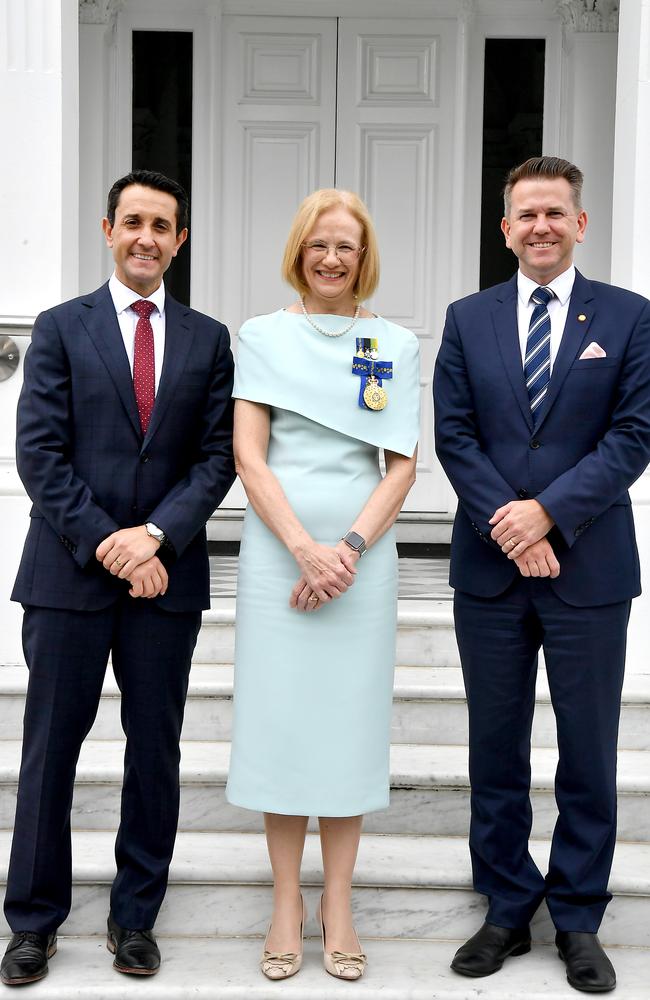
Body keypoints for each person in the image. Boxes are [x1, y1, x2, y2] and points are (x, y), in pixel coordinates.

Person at [1, 170, 235, 986]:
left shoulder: (209, 340)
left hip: (165, 582)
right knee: (49, 752)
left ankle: (135, 917)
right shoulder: (62, 328)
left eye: (161, 225)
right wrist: (112, 544)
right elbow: (40, 453)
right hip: (68, 575)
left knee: (155, 752)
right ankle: (32, 922)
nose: (146, 237)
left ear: (179, 240)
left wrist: (158, 539)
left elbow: (216, 459)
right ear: (108, 231)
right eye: (132, 221)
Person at [433, 156, 650, 993]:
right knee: (496, 746)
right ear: (505, 228)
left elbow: (633, 436)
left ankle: (580, 917)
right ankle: (504, 906)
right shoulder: (466, 318)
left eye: (556, 213)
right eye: (526, 215)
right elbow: (455, 435)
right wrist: (512, 525)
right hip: (489, 570)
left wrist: (548, 514)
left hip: (589, 567)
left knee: (588, 749)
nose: (541, 227)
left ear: (581, 223)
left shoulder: (629, 318)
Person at [226, 189, 419, 981]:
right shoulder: (262, 336)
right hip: (280, 554)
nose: (332, 259)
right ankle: (285, 904)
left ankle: (337, 903)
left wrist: (347, 548)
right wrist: (306, 549)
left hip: (362, 560)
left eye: (346, 246)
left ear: (363, 256)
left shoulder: (395, 343)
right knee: (284, 727)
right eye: (319, 245)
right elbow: (249, 456)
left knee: (345, 730)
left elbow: (403, 464)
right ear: (299, 251)